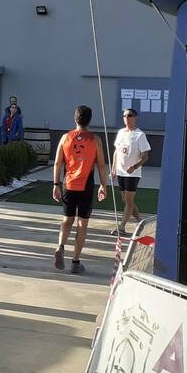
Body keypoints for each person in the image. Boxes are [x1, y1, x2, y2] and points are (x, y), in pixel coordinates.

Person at [52, 105, 109, 275]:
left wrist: (55, 185)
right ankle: (75, 262)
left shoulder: (64, 138)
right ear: (89, 121)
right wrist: (103, 186)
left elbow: (57, 163)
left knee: (67, 219)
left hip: (68, 184)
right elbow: (101, 165)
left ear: (75, 119)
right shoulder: (96, 140)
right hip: (86, 185)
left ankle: (60, 246)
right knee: (82, 224)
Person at [111, 108, 151, 235]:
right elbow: (116, 152)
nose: (126, 118)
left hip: (132, 173)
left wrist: (134, 166)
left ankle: (121, 227)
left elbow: (145, 156)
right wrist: (113, 169)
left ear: (135, 117)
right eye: (124, 116)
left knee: (128, 201)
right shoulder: (121, 132)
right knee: (127, 201)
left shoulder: (140, 135)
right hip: (120, 172)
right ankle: (141, 222)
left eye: (129, 115)